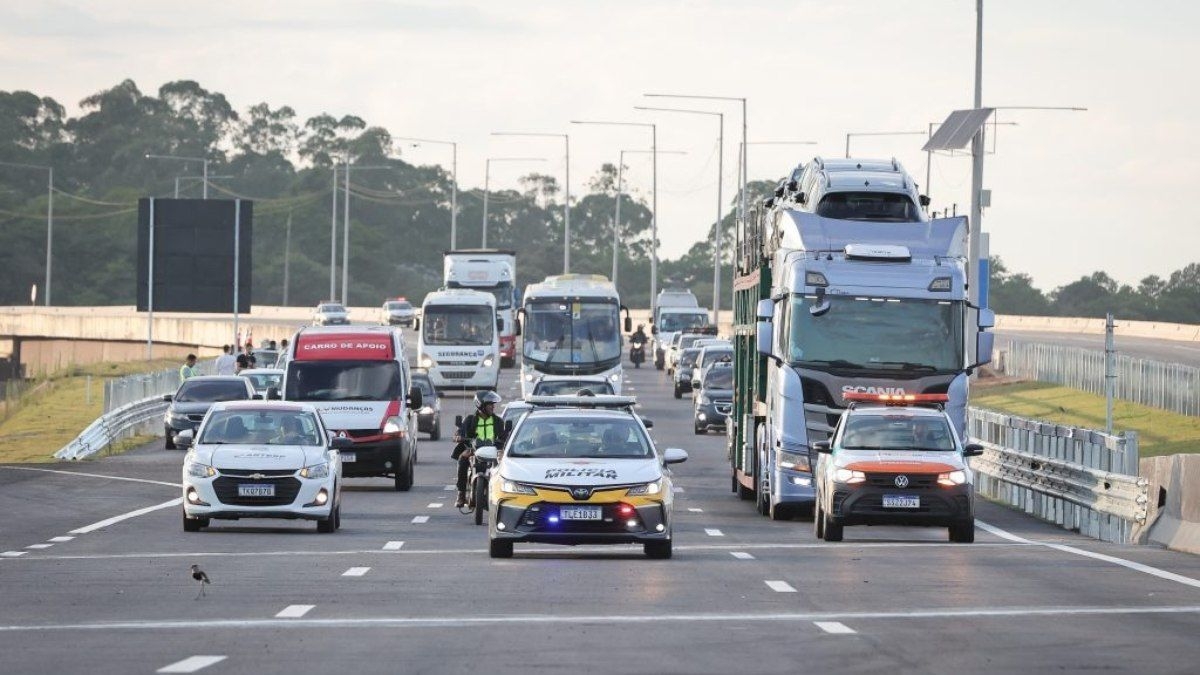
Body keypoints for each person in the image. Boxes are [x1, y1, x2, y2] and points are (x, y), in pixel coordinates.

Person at [451, 390, 505, 508]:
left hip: (493, 451)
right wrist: (458, 436)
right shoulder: (470, 419)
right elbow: (460, 431)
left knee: (504, 463)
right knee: (462, 458)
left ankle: (502, 494)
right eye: (490, 404)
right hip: (474, 449)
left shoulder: (498, 421)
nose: (493, 407)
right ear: (481, 405)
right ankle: (461, 494)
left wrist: (504, 442)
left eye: (493, 404)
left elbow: (503, 436)